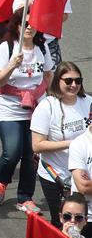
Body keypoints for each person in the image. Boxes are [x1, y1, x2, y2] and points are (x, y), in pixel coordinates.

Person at [0, 8, 54, 213]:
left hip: (36, 108)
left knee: (32, 154)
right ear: (16, 25)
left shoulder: (42, 49)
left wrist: (46, 98)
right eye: (24, 24)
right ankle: (2, 180)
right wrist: (11, 65)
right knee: (12, 152)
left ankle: (25, 197)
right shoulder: (7, 47)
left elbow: (48, 76)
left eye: (32, 23)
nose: (28, 27)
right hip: (9, 107)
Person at [31, 63, 90, 227]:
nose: (74, 85)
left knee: (83, 223)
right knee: (64, 223)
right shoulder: (47, 106)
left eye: (78, 81)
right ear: (58, 81)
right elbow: (37, 146)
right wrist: (74, 144)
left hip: (83, 175)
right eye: (69, 80)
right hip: (56, 174)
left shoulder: (88, 102)